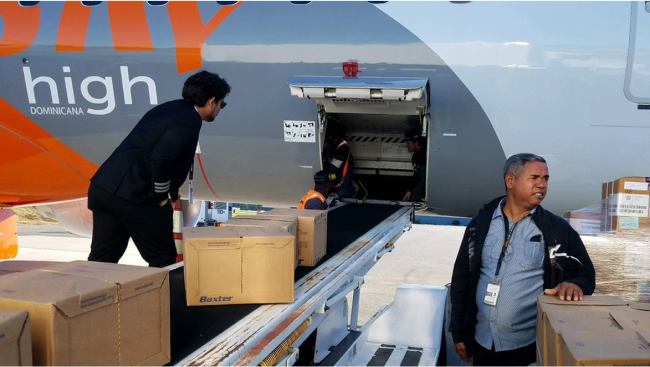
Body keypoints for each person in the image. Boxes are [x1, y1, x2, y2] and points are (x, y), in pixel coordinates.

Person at [450, 153, 596, 366]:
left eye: (545, 179)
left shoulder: (557, 230)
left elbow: (585, 273)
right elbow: (461, 278)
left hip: (526, 347)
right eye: (535, 177)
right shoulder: (479, 224)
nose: (542, 185)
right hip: (482, 342)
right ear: (510, 181)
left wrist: (574, 284)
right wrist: (459, 332)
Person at [87, 71, 231, 267]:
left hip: (104, 189)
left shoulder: (170, 108)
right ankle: (162, 298)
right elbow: (162, 157)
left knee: (102, 260)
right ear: (211, 101)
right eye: (221, 104)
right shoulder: (190, 119)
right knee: (163, 259)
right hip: (137, 196)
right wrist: (162, 195)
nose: (219, 110)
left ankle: (89, 297)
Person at [325, 122, 356, 198]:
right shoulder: (332, 144)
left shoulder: (343, 147)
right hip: (338, 168)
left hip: (346, 170)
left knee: (342, 193)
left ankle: (355, 188)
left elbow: (334, 167)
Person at [402, 128, 427, 204]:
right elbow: (416, 175)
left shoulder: (427, 154)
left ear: (416, 143)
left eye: (409, 143)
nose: (407, 146)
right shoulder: (416, 156)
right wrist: (409, 191)